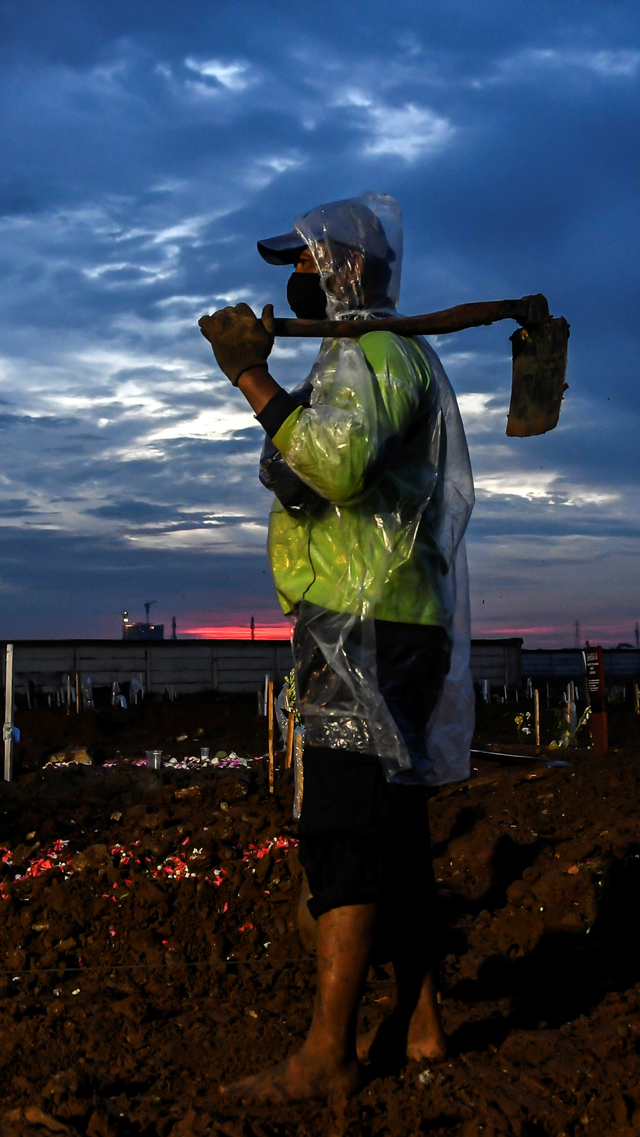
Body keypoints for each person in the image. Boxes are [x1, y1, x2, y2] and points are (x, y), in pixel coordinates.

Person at [198, 192, 475, 1104]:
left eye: (305, 264)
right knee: (393, 830)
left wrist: (249, 377)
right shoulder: (363, 359)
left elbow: (337, 464)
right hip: (381, 620)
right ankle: (422, 1025)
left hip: (368, 624)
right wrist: (282, 410)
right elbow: (302, 470)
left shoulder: (376, 354)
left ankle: (328, 1054)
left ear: (345, 273)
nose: (291, 282)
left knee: (345, 827)